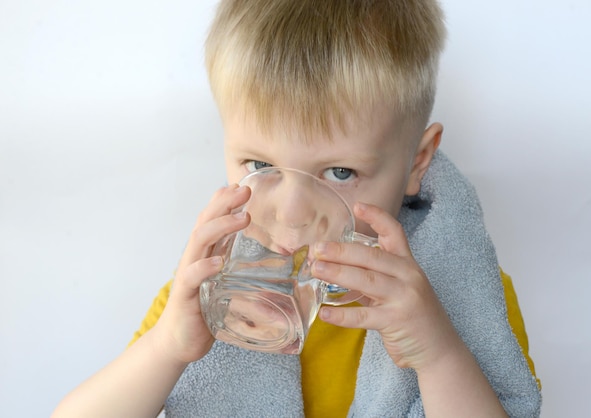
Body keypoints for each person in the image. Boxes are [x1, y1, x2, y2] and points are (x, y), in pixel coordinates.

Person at [53, 1, 541, 417]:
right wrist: (167, 348)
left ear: (417, 162)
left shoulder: (461, 291)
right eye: (261, 163)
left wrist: (437, 353)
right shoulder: (211, 286)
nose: (291, 213)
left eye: (340, 173)